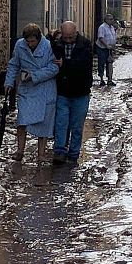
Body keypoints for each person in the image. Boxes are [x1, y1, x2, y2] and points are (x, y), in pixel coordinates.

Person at [5, 23, 59, 165]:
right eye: (27, 41)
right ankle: (20, 150)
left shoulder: (48, 47)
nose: (30, 44)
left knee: (44, 122)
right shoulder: (20, 45)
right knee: (22, 120)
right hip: (27, 89)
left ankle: (41, 154)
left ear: (39, 38)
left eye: (32, 41)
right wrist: (9, 82)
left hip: (45, 88)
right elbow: (13, 64)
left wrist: (34, 75)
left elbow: (54, 67)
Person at [51, 21, 93, 166]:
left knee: (76, 125)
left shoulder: (85, 44)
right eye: (65, 37)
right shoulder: (57, 45)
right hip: (62, 91)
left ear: (76, 32)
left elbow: (84, 65)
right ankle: (59, 151)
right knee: (61, 123)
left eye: (70, 37)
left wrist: (65, 65)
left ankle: (73, 154)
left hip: (80, 92)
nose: (68, 40)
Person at [95, 13, 117, 87]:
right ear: (106, 20)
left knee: (110, 64)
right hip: (102, 48)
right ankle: (101, 79)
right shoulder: (102, 27)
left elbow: (113, 37)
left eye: (112, 19)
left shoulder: (112, 27)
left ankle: (109, 80)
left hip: (110, 49)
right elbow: (101, 38)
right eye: (110, 19)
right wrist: (106, 45)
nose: (112, 20)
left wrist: (113, 46)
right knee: (101, 63)